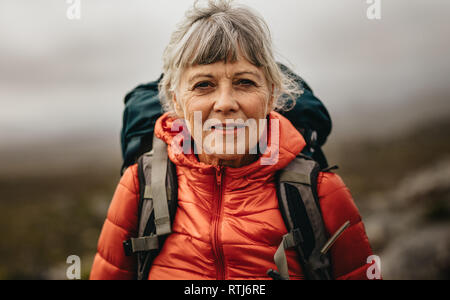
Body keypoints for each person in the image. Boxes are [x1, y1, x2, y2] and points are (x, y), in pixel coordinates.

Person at [90, 0, 375, 280]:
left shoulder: (322, 193)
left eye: (245, 82)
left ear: (272, 95)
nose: (225, 103)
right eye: (203, 85)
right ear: (176, 101)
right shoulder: (140, 185)